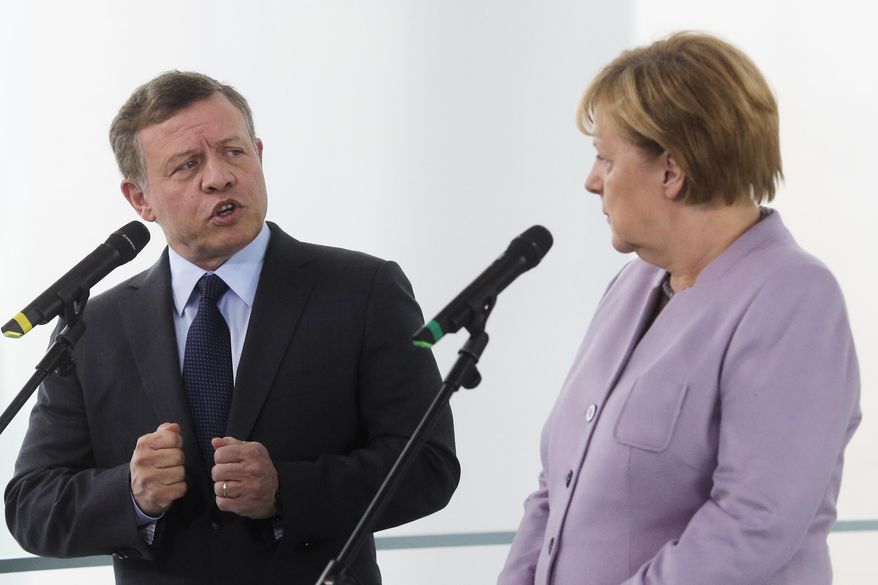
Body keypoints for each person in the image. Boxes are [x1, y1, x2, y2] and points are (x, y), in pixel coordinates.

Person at [5, 71, 460, 585]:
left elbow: (429, 465)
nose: (219, 177)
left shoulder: (364, 290)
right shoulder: (93, 328)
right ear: (140, 200)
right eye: (187, 165)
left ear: (259, 156)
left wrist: (287, 491)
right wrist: (130, 494)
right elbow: (31, 506)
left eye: (234, 152)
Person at [498, 32, 860, 585]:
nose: (591, 181)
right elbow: (557, 489)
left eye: (605, 157)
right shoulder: (633, 283)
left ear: (672, 170)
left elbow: (753, 524)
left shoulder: (794, 298)